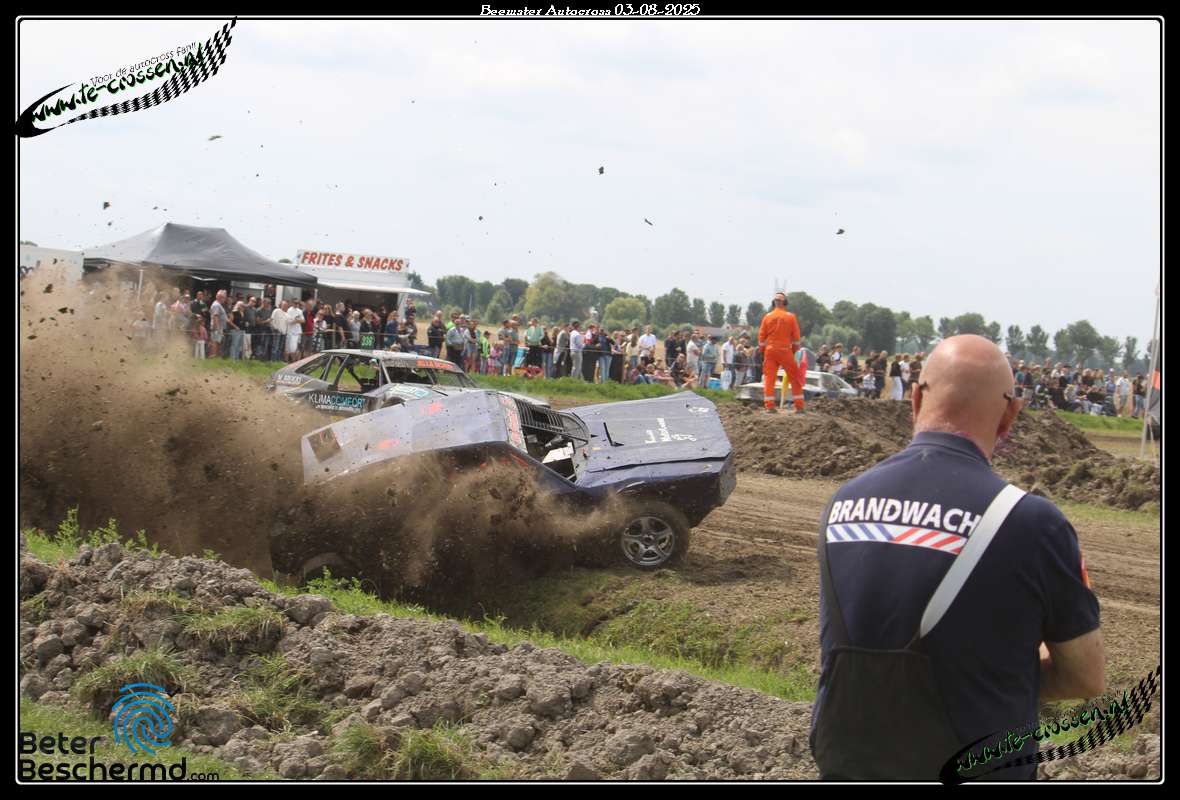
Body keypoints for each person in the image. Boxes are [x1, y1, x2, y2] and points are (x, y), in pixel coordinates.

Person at [810, 335, 1103, 780]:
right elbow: (1086, 677)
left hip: (847, 760)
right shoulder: (1032, 523)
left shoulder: (843, 503)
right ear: (1010, 416)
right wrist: (993, 675)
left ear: (914, 398)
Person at [758, 292, 804, 413]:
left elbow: (761, 337)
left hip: (770, 351)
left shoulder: (767, 317)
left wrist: (762, 351)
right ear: (785, 303)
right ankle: (799, 407)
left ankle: (770, 406)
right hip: (785, 351)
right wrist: (795, 352)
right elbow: (796, 338)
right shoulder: (790, 317)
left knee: (769, 379)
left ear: (774, 303)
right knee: (794, 377)